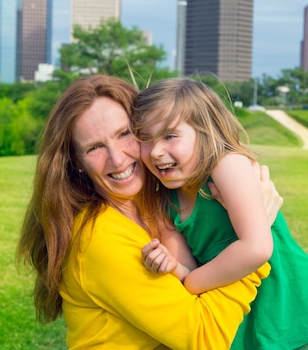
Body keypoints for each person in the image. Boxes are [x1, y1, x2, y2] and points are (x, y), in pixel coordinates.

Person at [16, 74, 282, 350]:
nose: (117, 159)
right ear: (76, 162)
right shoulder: (100, 238)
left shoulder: (154, 208)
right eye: (94, 147)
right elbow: (204, 337)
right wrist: (254, 238)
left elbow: (187, 284)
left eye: (125, 134)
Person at [131, 77, 308, 350]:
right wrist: (171, 266)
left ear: (204, 132)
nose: (155, 151)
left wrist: (190, 282)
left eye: (170, 135)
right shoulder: (166, 200)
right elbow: (189, 269)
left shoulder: (226, 166)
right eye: (145, 139)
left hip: (293, 310)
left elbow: (256, 247)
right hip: (241, 321)